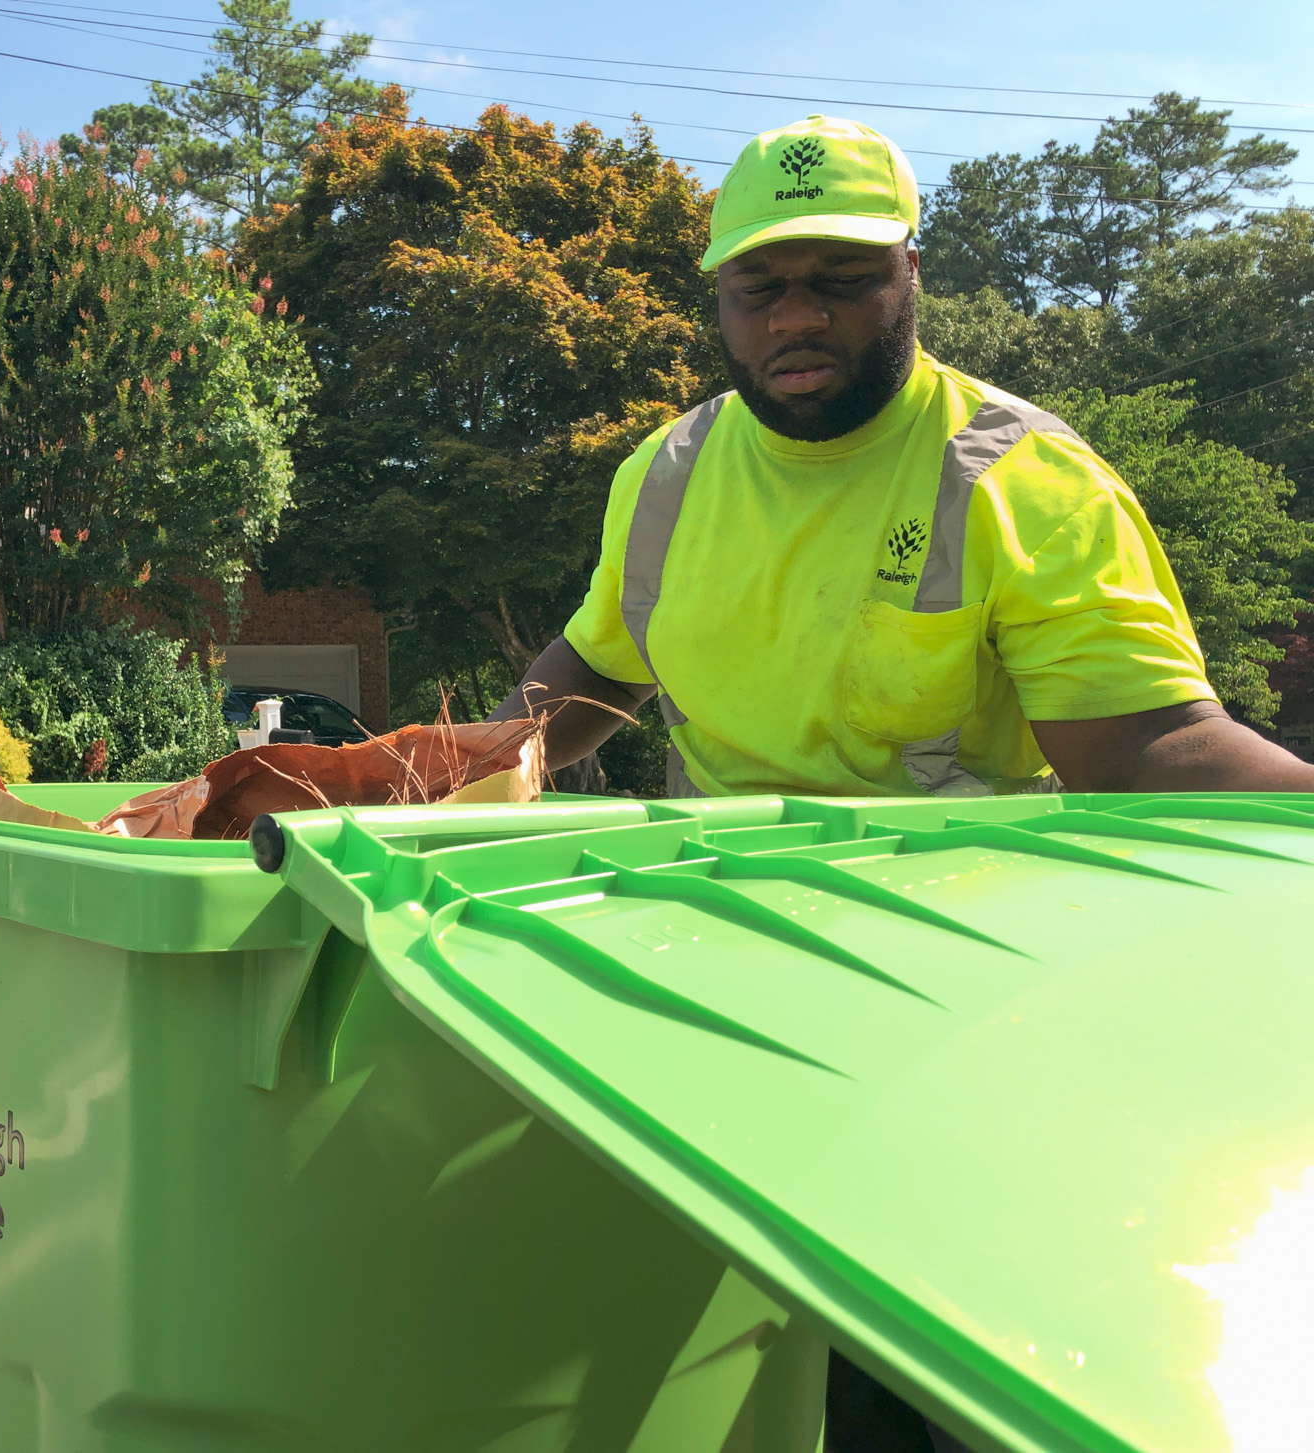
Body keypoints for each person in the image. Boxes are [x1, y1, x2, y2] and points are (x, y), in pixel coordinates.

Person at [488, 114, 1314, 1453]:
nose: (799, 316)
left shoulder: (1020, 478)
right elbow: (581, 683)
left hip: (958, 1016)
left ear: (911, 276)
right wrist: (415, 772)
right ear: (721, 302)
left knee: (932, 1374)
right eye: (764, 287)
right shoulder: (668, 478)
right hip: (724, 984)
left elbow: (1149, 748)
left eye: (843, 278)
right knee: (734, 1363)